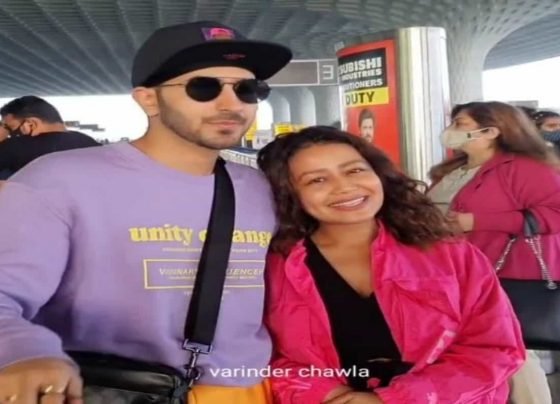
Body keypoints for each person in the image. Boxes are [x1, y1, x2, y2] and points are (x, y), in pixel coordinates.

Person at [0, 21, 291, 403]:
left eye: (248, 90)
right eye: (203, 87)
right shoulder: (58, 180)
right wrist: (23, 354)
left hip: (250, 391)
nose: (231, 104)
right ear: (148, 99)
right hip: (121, 391)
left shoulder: (261, 187)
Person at [257, 126, 525, 403]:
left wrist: (396, 399)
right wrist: (330, 395)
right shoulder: (275, 267)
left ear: (379, 174)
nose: (344, 187)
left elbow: (494, 348)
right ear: (290, 194)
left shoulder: (450, 254)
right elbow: (269, 356)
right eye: (317, 180)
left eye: (354, 170)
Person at [428, 101, 560, 404]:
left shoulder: (524, 168)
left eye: (460, 124)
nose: (450, 130)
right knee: (481, 348)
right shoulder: (454, 170)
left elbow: (556, 212)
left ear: (492, 131)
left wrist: (477, 222)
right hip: (454, 272)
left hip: (505, 271)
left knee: (514, 350)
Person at [0, 96, 100, 176]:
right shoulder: (89, 142)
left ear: (31, 124)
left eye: (11, 128)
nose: (11, 134)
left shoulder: (15, 147)